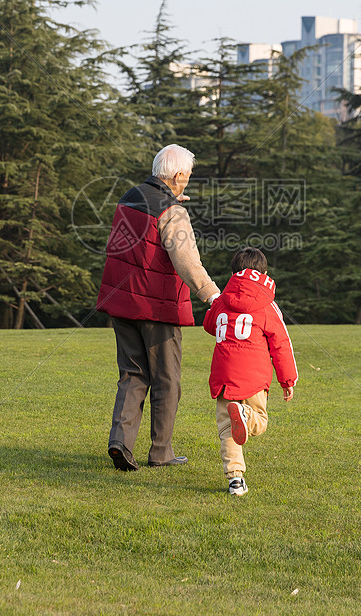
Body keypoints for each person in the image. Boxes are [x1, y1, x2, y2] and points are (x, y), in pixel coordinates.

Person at [96, 145, 220, 471]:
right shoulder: (172, 211)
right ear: (178, 176)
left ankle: (120, 443)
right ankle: (161, 452)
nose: (187, 184)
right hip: (156, 308)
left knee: (133, 374)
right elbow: (186, 261)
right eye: (187, 178)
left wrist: (173, 204)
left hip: (121, 303)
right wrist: (211, 295)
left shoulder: (129, 197)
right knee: (167, 380)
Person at [203, 247, 298, 496]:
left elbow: (209, 325)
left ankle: (235, 479)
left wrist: (216, 304)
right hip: (254, 376)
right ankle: (246, 413)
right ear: (263, 273)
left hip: (224, 375)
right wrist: (287, 379)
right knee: (260, 422)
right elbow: (280, 343)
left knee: (227, 429)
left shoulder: (223, 299)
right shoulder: (267, 304)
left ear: (234, 272)